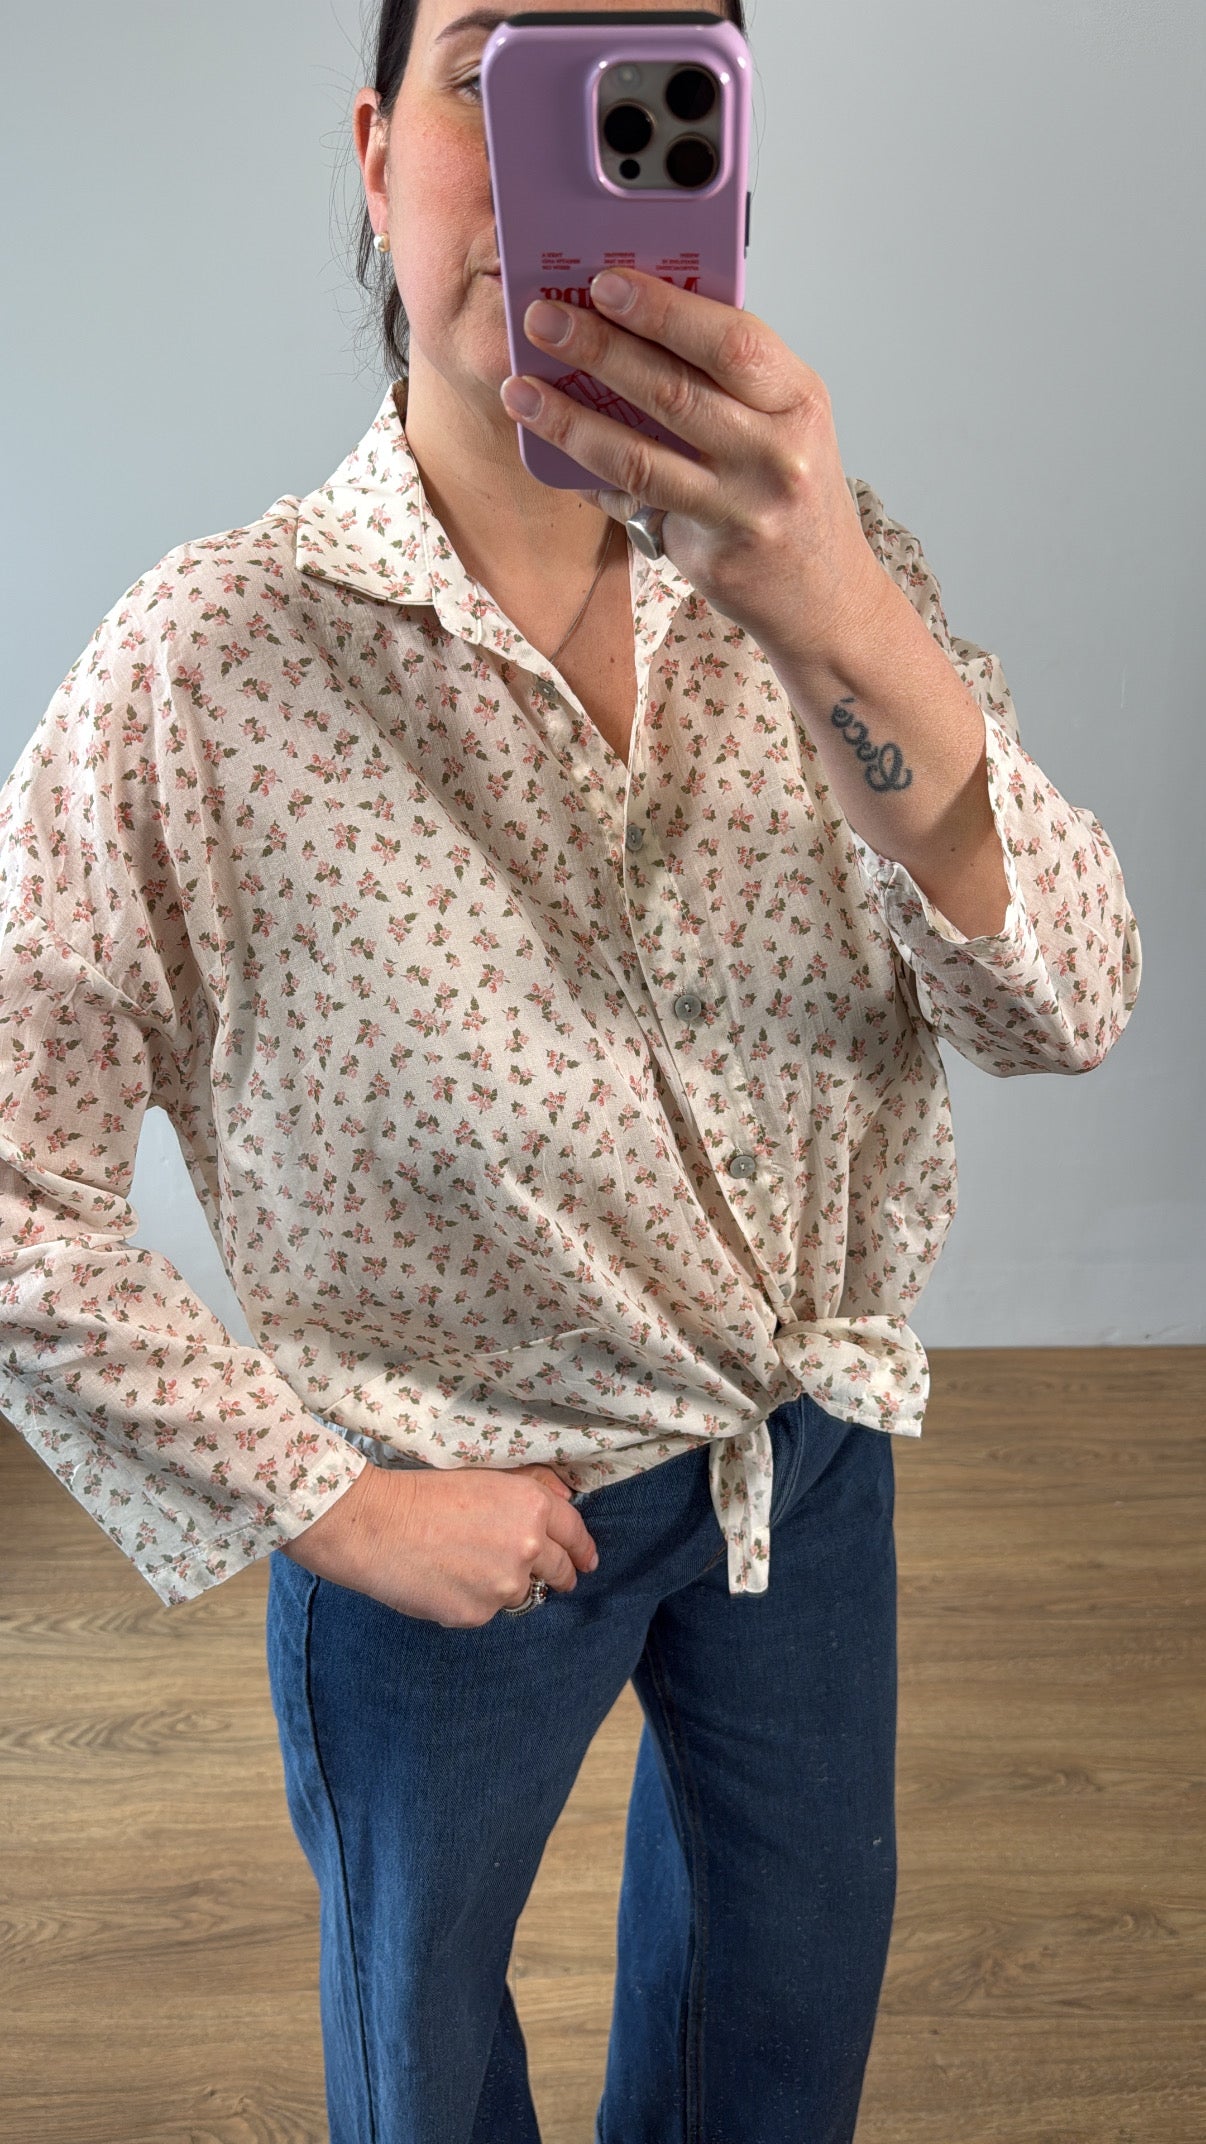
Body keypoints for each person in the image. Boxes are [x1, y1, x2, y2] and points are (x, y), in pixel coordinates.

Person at [0, 0, 1142, 2138]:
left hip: (799, 1469)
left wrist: (840, 617)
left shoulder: (834, 578)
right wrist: (331, 1502)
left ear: (724, 158)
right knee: (424, 2069)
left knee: (782, 2035)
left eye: (644, 88)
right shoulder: (204, 668)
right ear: (376, 156)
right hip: (449, 1515)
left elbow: (1063, 1005)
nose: (561, 174)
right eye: (497, 72)